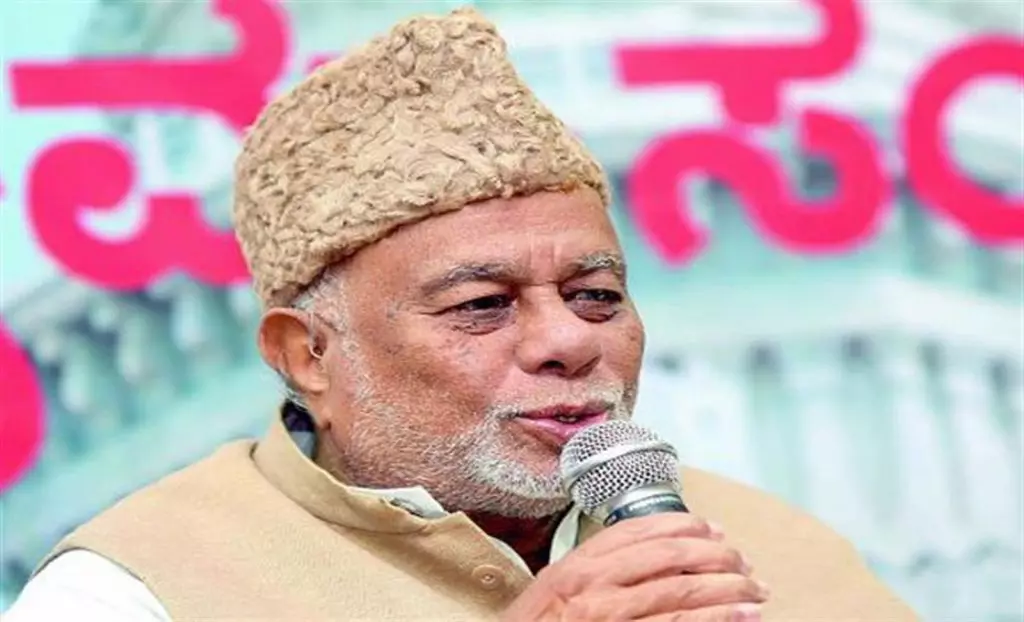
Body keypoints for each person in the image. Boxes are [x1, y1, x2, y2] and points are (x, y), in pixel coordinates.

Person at [7, 7, 917, 622]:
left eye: (595, 297)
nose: (567, 341)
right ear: (308, 354)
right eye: (482, 306)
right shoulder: (136, 589)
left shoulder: (782, 556)